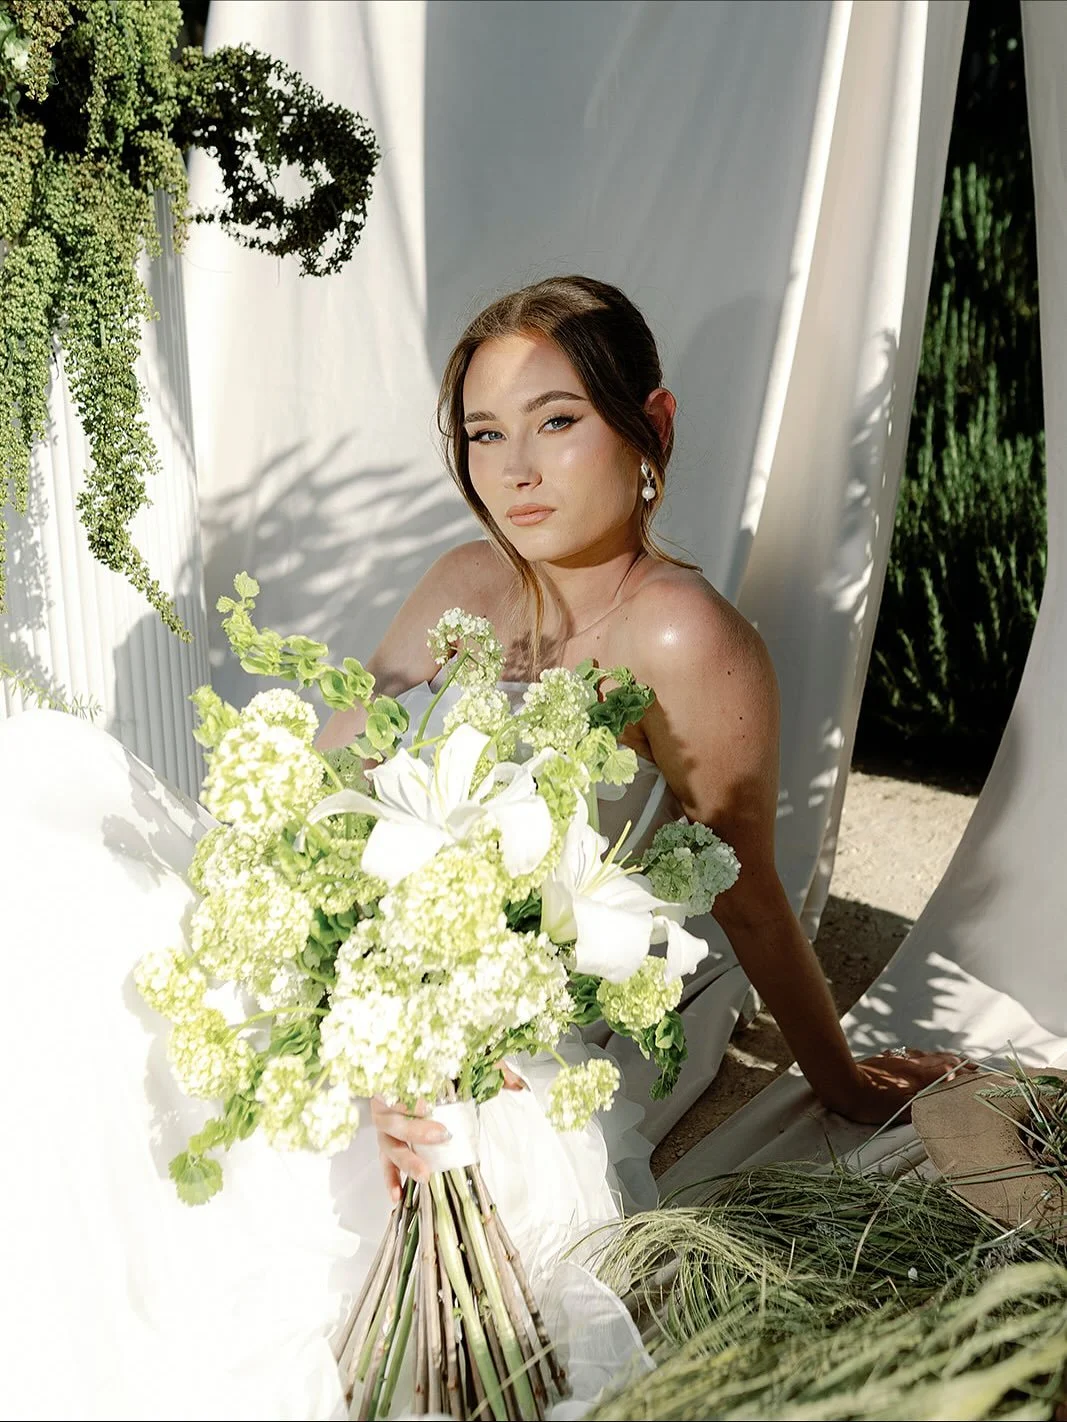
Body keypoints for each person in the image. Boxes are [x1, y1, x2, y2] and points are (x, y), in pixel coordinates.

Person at [316, 274, 967, 1195]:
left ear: (650, 426)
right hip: (374, 979)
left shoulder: (677, 634)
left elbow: (746, 890)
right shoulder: (464, 582)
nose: (515, 471)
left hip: (534, 1031)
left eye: (556, 421)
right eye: (484, 434)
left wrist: (846, 1085)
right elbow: (330, 780)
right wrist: (342, 994)